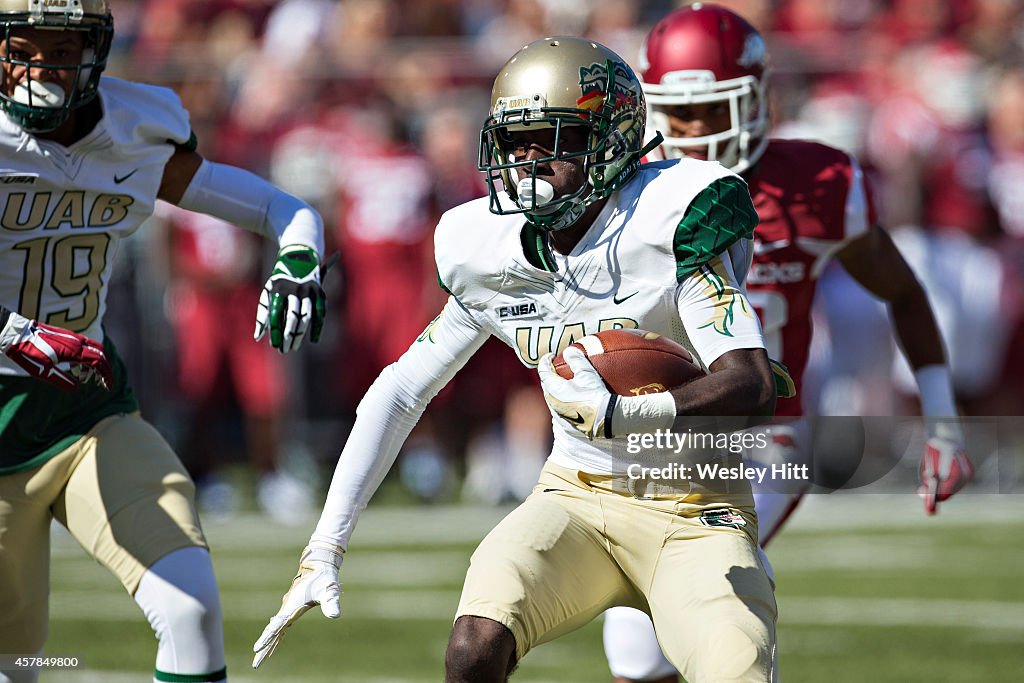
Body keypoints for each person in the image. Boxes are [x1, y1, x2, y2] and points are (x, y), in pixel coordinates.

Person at [255, 36, 781, 683]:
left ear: (611, 141)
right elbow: (400, 391)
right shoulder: (488, 250)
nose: (527, 159)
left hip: (694, 501)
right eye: (515, 141)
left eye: (551, 138)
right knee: (475, 643)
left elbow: (751, 379)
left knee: (738, 669)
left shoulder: (671, 219)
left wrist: (630, 411)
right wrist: (324, 546)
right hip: (574, 496)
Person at [601, 5, 975, 682]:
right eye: (676, 116)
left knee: (687, 598)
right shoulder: (632, 189)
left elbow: (903, 290)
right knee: (634, 642)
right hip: (661, 427)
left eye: (711, 113)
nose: (691, 135)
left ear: (754, 100)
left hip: (765, 431)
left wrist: (943, 420)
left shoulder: (816, 185)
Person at [0, 2, 328, 682]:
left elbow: (283, 208)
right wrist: (15, 335)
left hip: (85, 413)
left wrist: (299, 257)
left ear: (95, 53)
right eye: (25, 49)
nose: (42, 69)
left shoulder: (134, 126)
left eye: (61, 50)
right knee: (16, 666)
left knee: (190, 610)